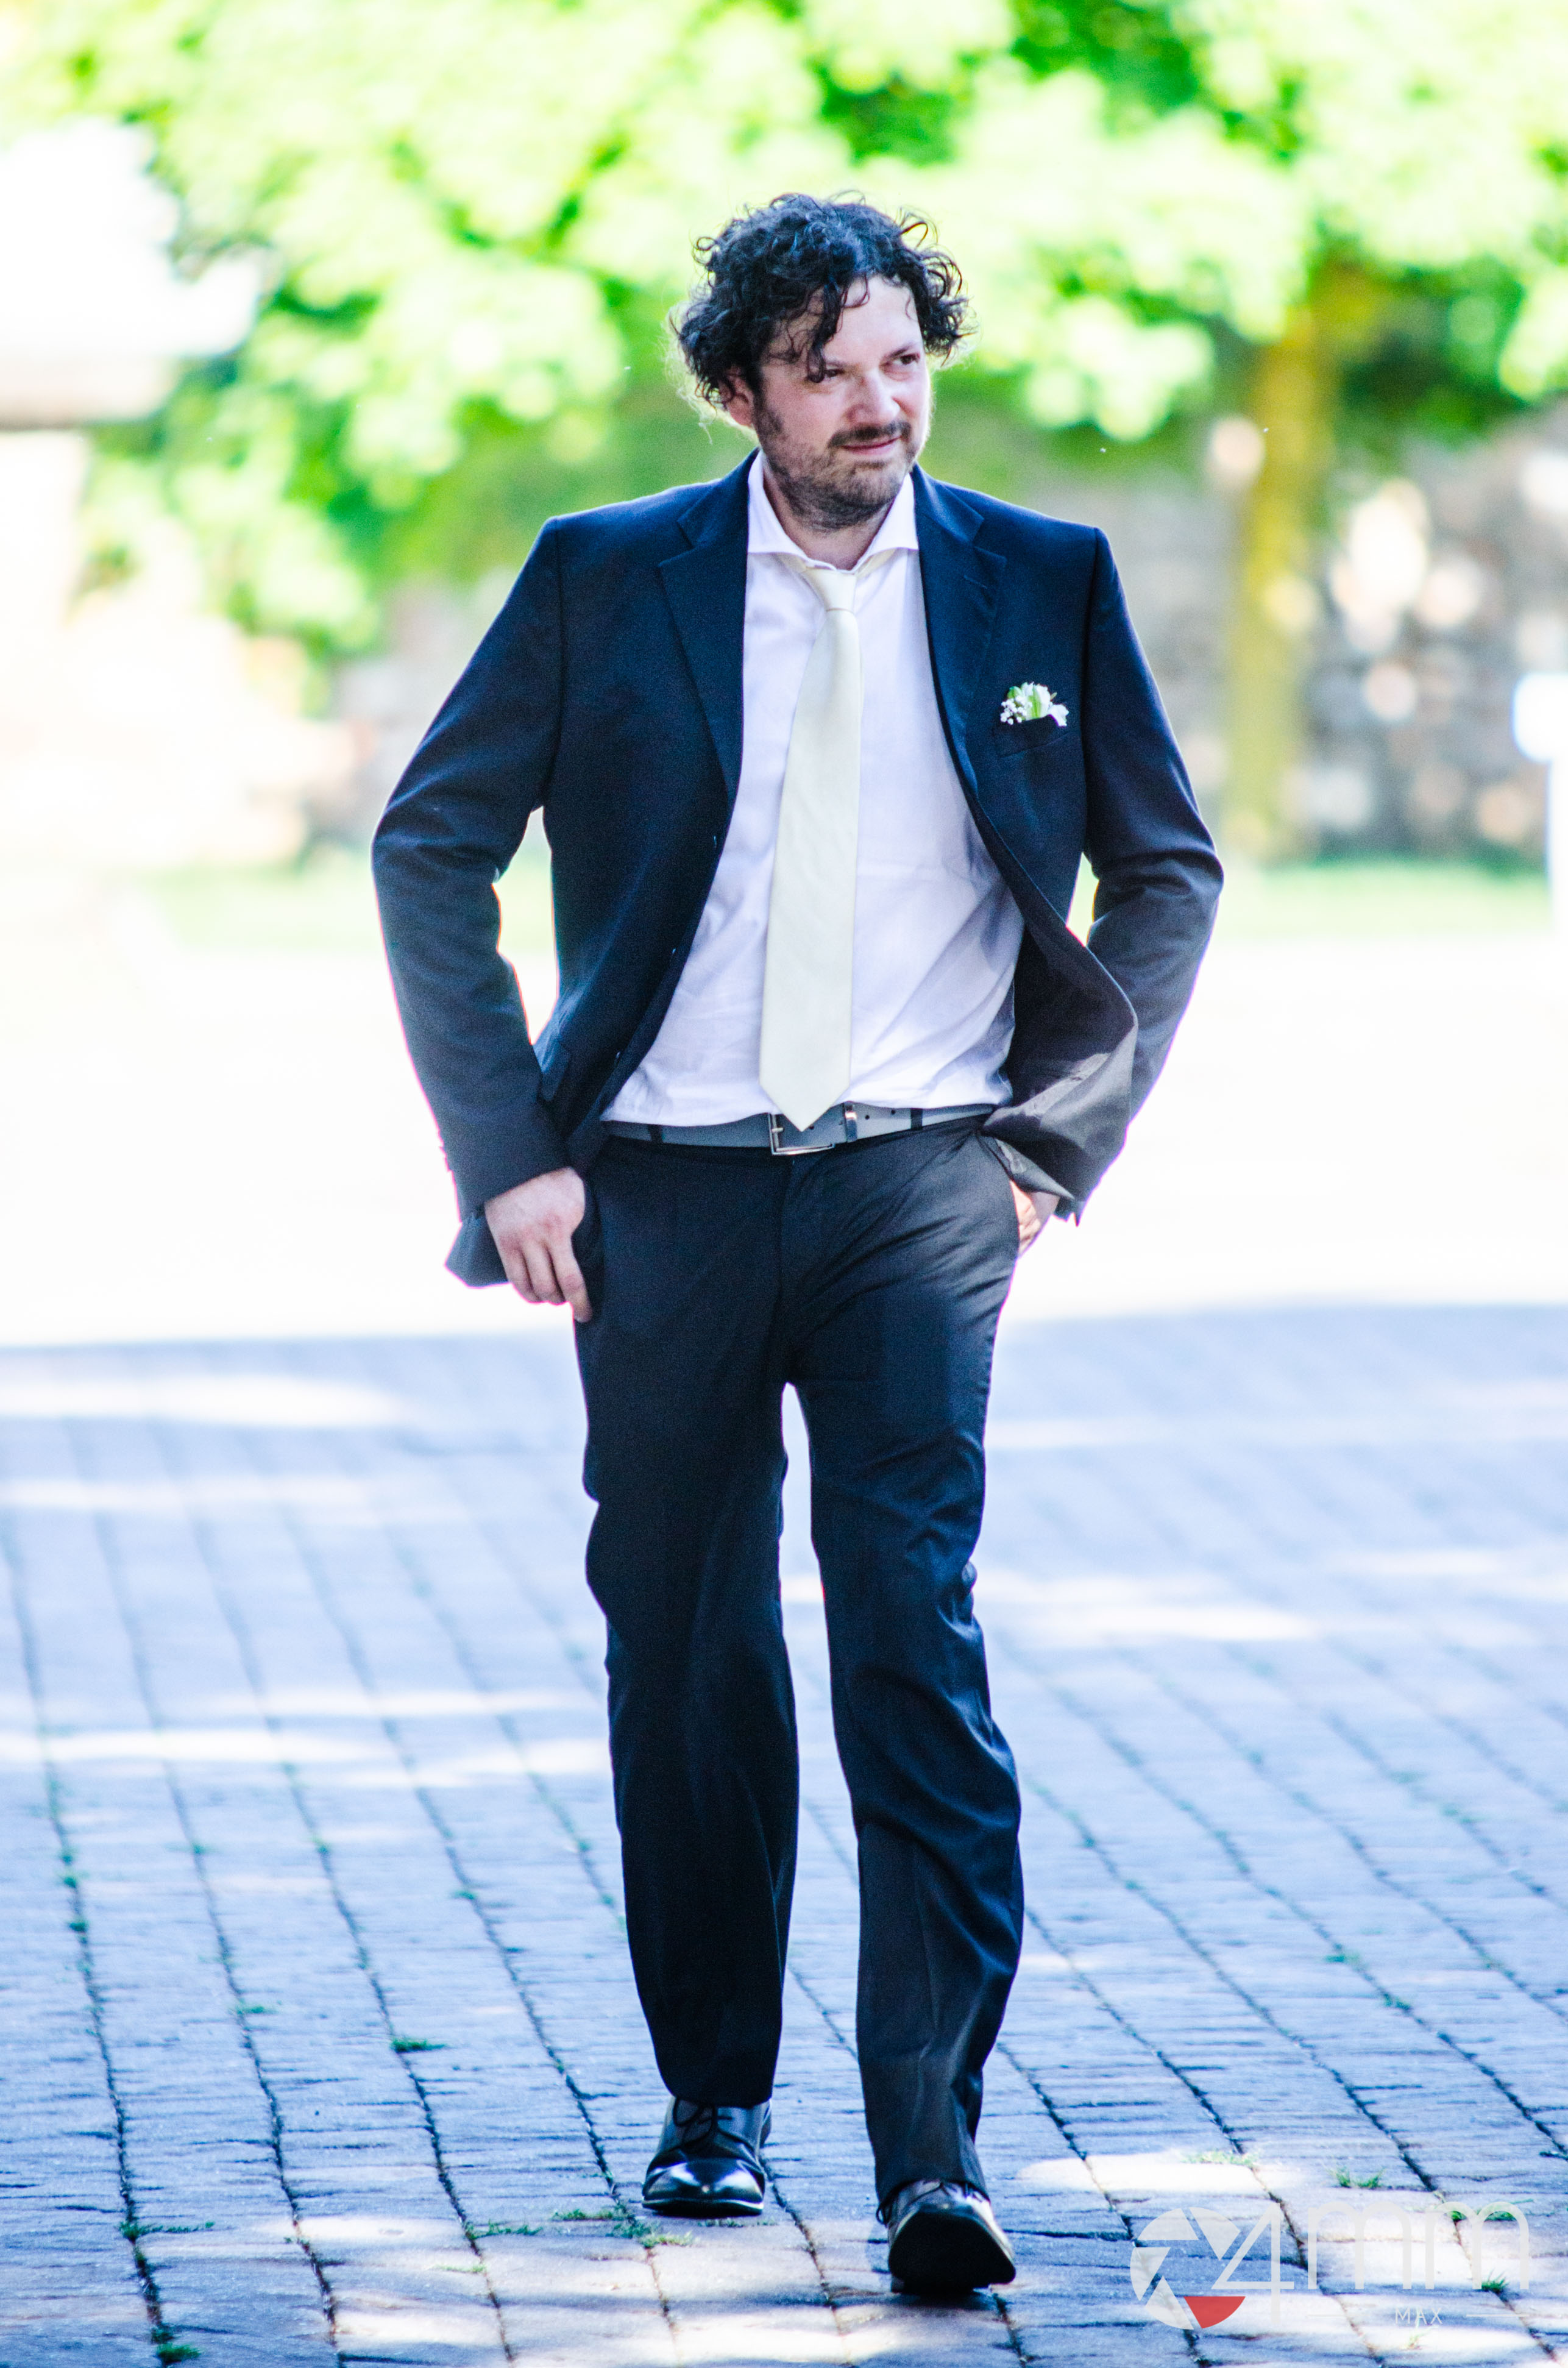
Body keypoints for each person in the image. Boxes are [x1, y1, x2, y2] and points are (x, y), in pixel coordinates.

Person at [374, 192, 1220, 2296]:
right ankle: (715, 2103)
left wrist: (1050, 1149)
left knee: (910, 1639)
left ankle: (934, 2150)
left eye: (903, 360)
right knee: (687, 1649)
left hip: (920, 1188)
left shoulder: (1043, 579)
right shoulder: (608, 578)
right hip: (652, 1196)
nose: (877, 402)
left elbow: (1166, 870)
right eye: (827, 368)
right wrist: (511, 1154)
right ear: (742, 390)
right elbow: (431, 843)